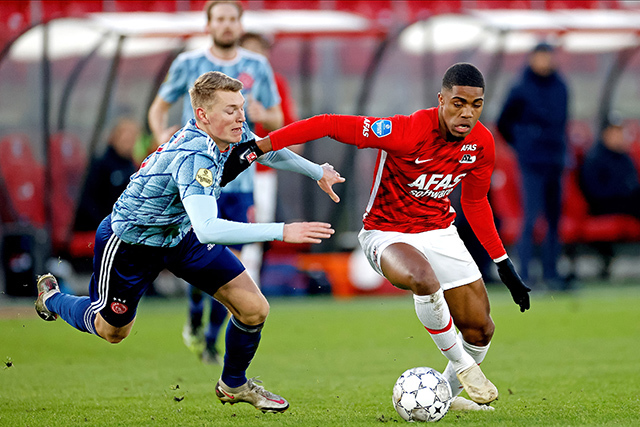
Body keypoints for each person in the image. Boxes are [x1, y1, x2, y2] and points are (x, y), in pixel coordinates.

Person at [221, 63, 531, 412]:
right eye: (458, 103)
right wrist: (257, 147)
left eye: (476, 105)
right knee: (423, 278)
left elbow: (475, 203)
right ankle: (463, 365)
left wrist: (503, 263)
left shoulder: (482, 143)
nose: (467, 113)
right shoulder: (406, 130)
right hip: (386, 233)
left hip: (440, 232)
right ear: (441, 100)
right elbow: (327, 123)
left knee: (481, 329)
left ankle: (443, 395)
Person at [35, 71, 344, 413]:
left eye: (241, 108)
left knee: (254, 308)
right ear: (202, 115)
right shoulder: (195, 155)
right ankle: (53, 299)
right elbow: (208, 228)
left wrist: (317, 171)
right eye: (231, 110)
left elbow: (263, 151)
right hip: (131, 244)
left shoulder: (227, 132)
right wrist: (282, 231)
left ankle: (234, 385)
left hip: (181, 236)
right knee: (111, 331)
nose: (241, 117)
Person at [147, 0, 284, 364]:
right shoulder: (188, 63)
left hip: (238, 182)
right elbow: (158, 107)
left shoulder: (257, 66)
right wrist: (161, 136)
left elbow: (277, 117)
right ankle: (195, 315)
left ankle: (210, 340)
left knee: (230, 264)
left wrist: (263, 114)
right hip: (195, 180)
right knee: (198, 259)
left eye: (232, 19)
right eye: (219, 18)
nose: (226, 25)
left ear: (240, 24)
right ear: (208, 24)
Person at [497, 41, 570, 290]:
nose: (545, 61)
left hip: (555, 159)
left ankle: (552, 274)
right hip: (532, 163)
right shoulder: (520, 88)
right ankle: (525, 275)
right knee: (530, 219)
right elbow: (504, 122)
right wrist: (523, 145)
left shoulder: (561, 86)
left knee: (554, 220)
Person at [74, 118, 139, 232]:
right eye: (125, 138)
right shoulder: (100, 163)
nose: (128, 143)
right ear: (115, 137)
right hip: (96, 226)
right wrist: (106, 225)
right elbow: (87, 201)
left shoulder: (131, 167)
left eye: (132, 138)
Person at [580, 113, 640, 218]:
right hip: (605, 205)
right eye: (614, 132)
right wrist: (624, 190)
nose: (619, 136)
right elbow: (595, 191)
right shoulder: (595, 158)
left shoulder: (624, 157)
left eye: (620, 131)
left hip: (626, 200)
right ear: (605, 134)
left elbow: (633, 181)